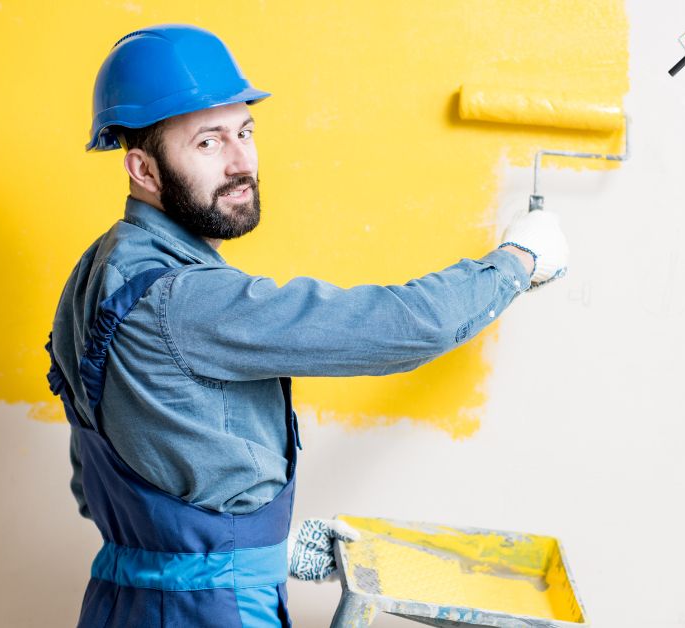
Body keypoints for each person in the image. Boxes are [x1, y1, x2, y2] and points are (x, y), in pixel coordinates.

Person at [44, 23, 569, 628]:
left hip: (120, 602)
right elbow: (397, 327)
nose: (242, 162)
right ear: (144, 168)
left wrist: (258, 548)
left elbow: (102, 478)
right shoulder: (188, 300)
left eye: (245, 132)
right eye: (208, 144)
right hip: (210, 613)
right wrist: (518, 262)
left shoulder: (96, 272)